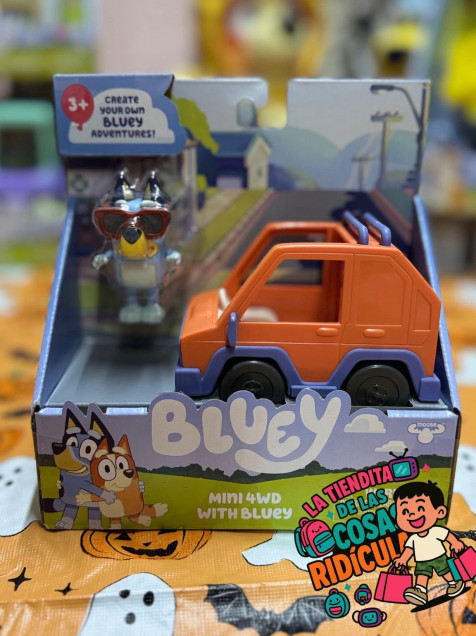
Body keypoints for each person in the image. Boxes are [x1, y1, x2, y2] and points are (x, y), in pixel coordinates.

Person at [393, 480, 466, 605]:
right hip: (421, 561)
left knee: (445, 571)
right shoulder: (413, 538)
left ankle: (454, 583)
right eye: (404, 511)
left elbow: (448, 536)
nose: (412, 514)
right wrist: (402, 559)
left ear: (440, 512)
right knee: (421, 575)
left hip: (439, 557)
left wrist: (455, 543)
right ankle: (420, 592)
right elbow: (409, 550)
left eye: (420, 508)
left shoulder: (436, 531)